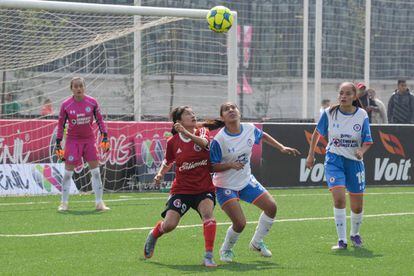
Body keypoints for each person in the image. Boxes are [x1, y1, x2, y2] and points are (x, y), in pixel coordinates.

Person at [208, 102, 300, 262]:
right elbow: (212, 167)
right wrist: (230, 165)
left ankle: (256, 243)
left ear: (239, 112)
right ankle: (226, 249)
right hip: (225, 185)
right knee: (240, 223)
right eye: (226, 109)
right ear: (222, 117)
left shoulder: (249, 128)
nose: (231, 110)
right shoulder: (220, 139)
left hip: (245, 181)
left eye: (233, 108)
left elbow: (262, 136)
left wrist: (281, 147)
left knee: (271, 207)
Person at [143, 106, 218, 267]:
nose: (193, 115)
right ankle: (154, 234)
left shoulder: (202, 131)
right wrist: (160, 174)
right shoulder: (172, 142)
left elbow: (205, 144)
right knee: (169, 225)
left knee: (208, 217)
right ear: (179, 121)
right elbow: (168, 160)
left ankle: (208, 256)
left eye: (193, 113)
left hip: (203, 188)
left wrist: (186, 133)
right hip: (181, 190)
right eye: (188, 114)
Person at [306, 82, 373, 250]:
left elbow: (368, 141)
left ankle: (355, 234)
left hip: (355, 163)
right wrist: (311, 155)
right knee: (339, 198)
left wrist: (361, 151)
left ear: (354, 96)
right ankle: (341, 240)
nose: (344, 96)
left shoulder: (362, 115)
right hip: (334, 160)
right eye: (341, 93)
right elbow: (316, 134)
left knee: (357, 206)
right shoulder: (330, 113)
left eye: (348, 93)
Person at [55, 77, 110, 212]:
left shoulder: (92, 102)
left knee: (96, 172)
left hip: (89, 140)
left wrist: (105, 136)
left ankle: (99, 203)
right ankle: (64, 203)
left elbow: (100, 120)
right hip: (73, 141)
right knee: (68, 174)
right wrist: (58, 143)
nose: (78, 89)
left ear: (84, 87)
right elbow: (61, 124)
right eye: (75, 86)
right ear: (71, 88)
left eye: (81, 86)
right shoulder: (66, 105)